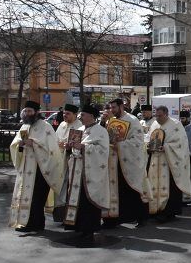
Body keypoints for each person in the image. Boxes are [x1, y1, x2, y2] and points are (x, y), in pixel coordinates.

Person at [9, 100, 62, 233]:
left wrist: (34, 144)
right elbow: (14, 145)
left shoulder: (46, 127)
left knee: (37, 199)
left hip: (41, 169)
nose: (27, 114)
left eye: (30, 111)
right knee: (26, 197)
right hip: (26, 169)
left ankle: (37, 224)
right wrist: (19, 145)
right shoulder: (24, 127)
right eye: (25, 111)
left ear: (37, 112)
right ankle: (26, 223)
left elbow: (52, 148)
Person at [62, 105, 111, 245]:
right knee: (79, 200)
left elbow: (103, 151)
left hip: (91, 172)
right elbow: (75, 148)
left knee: (88, 202)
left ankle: (89, 230)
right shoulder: (81, 129)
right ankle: (79, 228)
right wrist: (69, 147)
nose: (80, 117)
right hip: (78, 170)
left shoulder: (101, 131)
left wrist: (84, 147)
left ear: (91, 116)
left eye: (82, 115)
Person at [101, 98, 149, 228]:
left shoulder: (132, 120)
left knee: (132, 188)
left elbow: (138, 142)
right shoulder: (110, 121)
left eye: (114, 107)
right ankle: (113, 219)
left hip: (128, 161)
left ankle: (141, 217)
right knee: (115, 190)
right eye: (110, 108)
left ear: (121, 106)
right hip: (113, 161)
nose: (112, 110)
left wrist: (121, 144)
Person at [146, 105, 191, 222]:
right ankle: (155, 209)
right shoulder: (155, 124)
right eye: (156, 115)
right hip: (155, 160)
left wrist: (165, 147)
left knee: (169, 187)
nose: (157, 118)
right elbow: (149, 138)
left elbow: (180, 143)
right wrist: (148, 146)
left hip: (169, 162)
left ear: (166, 114)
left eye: (160, 115)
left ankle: (168, 212)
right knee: (154, 184)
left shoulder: (175, 125)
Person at [53, 103, 81, 222]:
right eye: (64, 113)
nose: (65, 115)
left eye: (68, 114)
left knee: (70, 187)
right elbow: (55, 139)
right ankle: (60, 215)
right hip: (60, 160)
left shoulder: (79, 126)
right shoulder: (62, 125)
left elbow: (78, 145)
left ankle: (70, 216)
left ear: (75, 115)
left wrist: (68, 147)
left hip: (72, 161)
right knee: (60, 187)